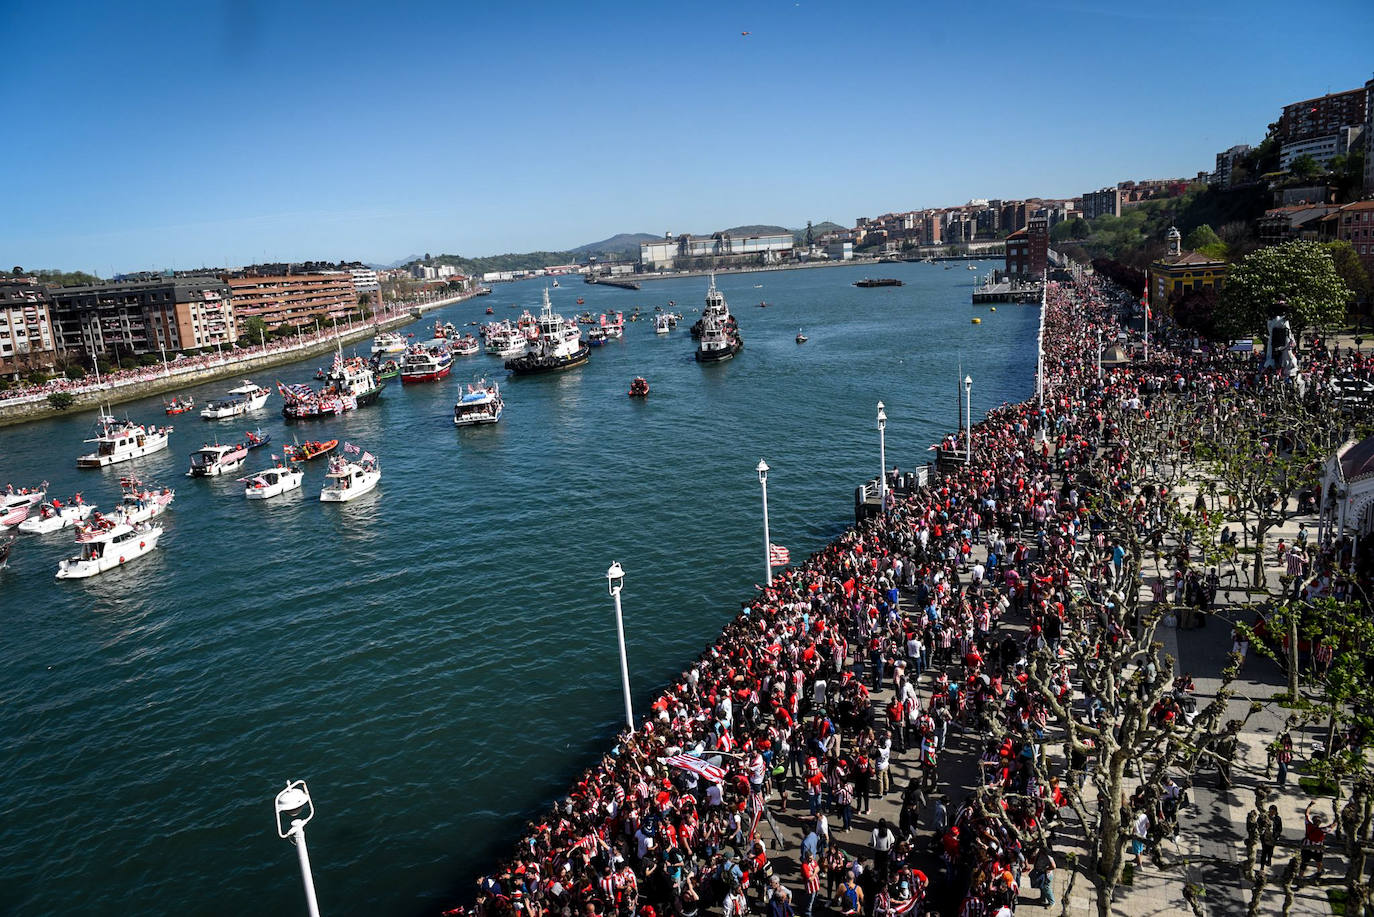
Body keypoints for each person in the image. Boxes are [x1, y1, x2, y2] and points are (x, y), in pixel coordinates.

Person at [1259, 805, 1282, 870]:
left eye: (1273, 811)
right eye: (1270, 811)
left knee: (1270, 851)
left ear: (1275, 812)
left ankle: (1269, 860)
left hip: (1272, 838)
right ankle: (1262, 867)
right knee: (1264, 852)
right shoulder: (1265, 817)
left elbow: (1279, 829)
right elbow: (1260, 823)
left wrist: (1276, 836)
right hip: (1265, 838)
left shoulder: (1278, 819)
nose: (1271, 813)